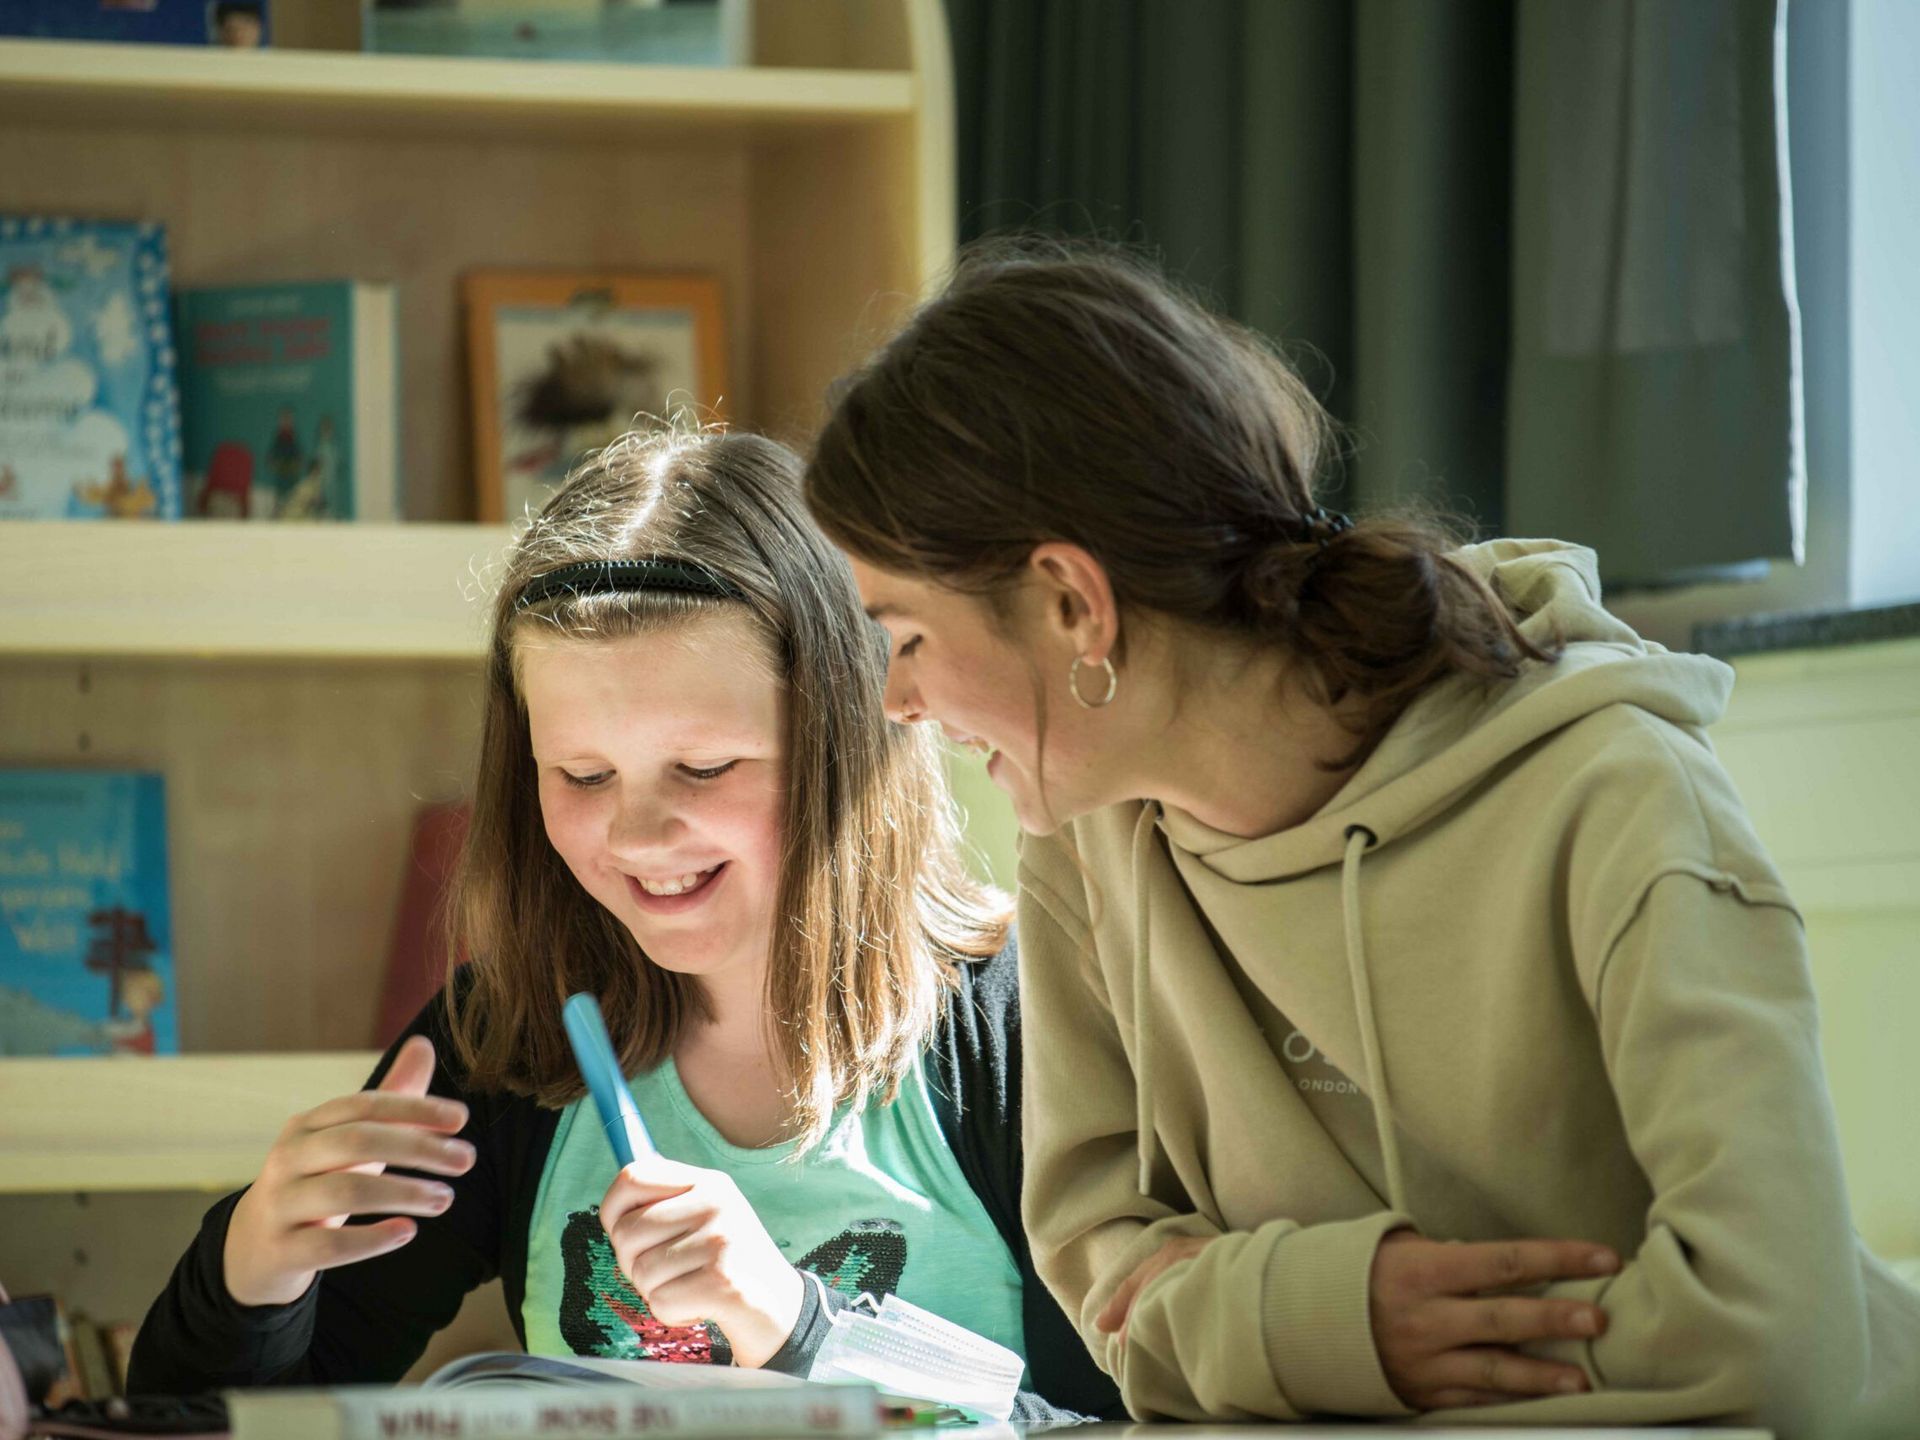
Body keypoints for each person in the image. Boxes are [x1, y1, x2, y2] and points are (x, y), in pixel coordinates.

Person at [801, 241, 1920, 1439]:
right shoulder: (1087, 838)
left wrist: (1285, 1334)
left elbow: (1774, 1333)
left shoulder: (1610, 788)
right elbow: (1102, 1267)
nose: (895, 702)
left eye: (904, 635)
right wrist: (1331, 1323)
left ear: (1075, 601)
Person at [127, 429, 1119, 1422]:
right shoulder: (509, 1039)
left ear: (848, 741)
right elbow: (199, 1417)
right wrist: (253, 1269)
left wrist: (802, 1328)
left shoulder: (1030, 1034)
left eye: (705, 768)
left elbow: (1152, 1423)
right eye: (583, 775)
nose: (638, 834)